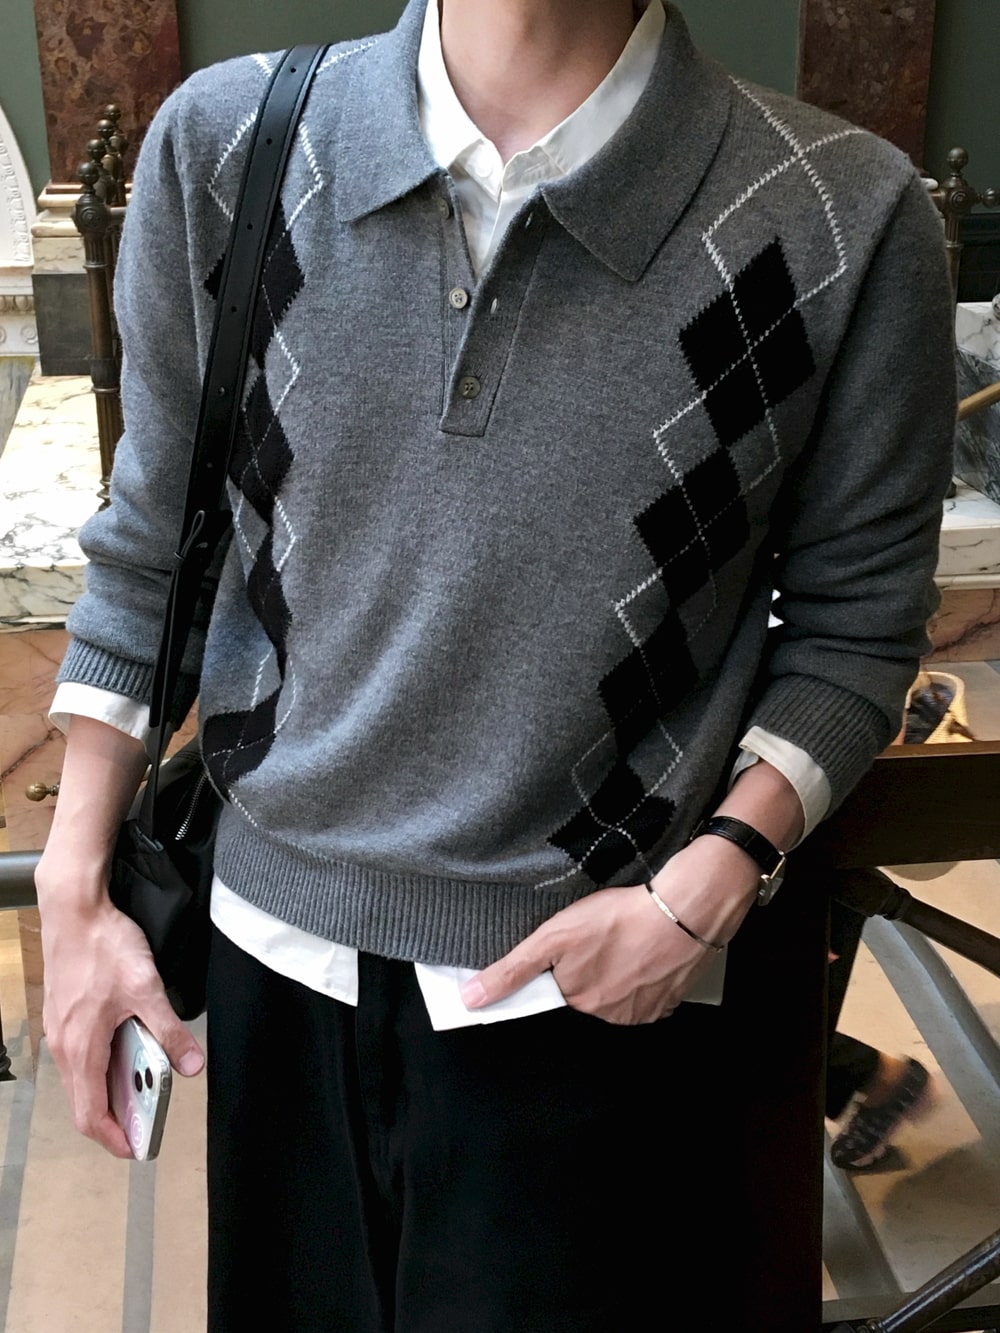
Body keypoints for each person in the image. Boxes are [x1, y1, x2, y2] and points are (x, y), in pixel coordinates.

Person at [36, 0, 956, 1328]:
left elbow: (857, 627)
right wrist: (71, 888)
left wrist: (708, 885)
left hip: (600, 997)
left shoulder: (839, 213)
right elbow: (152, 550)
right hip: (269, 965)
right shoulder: (231, 147)